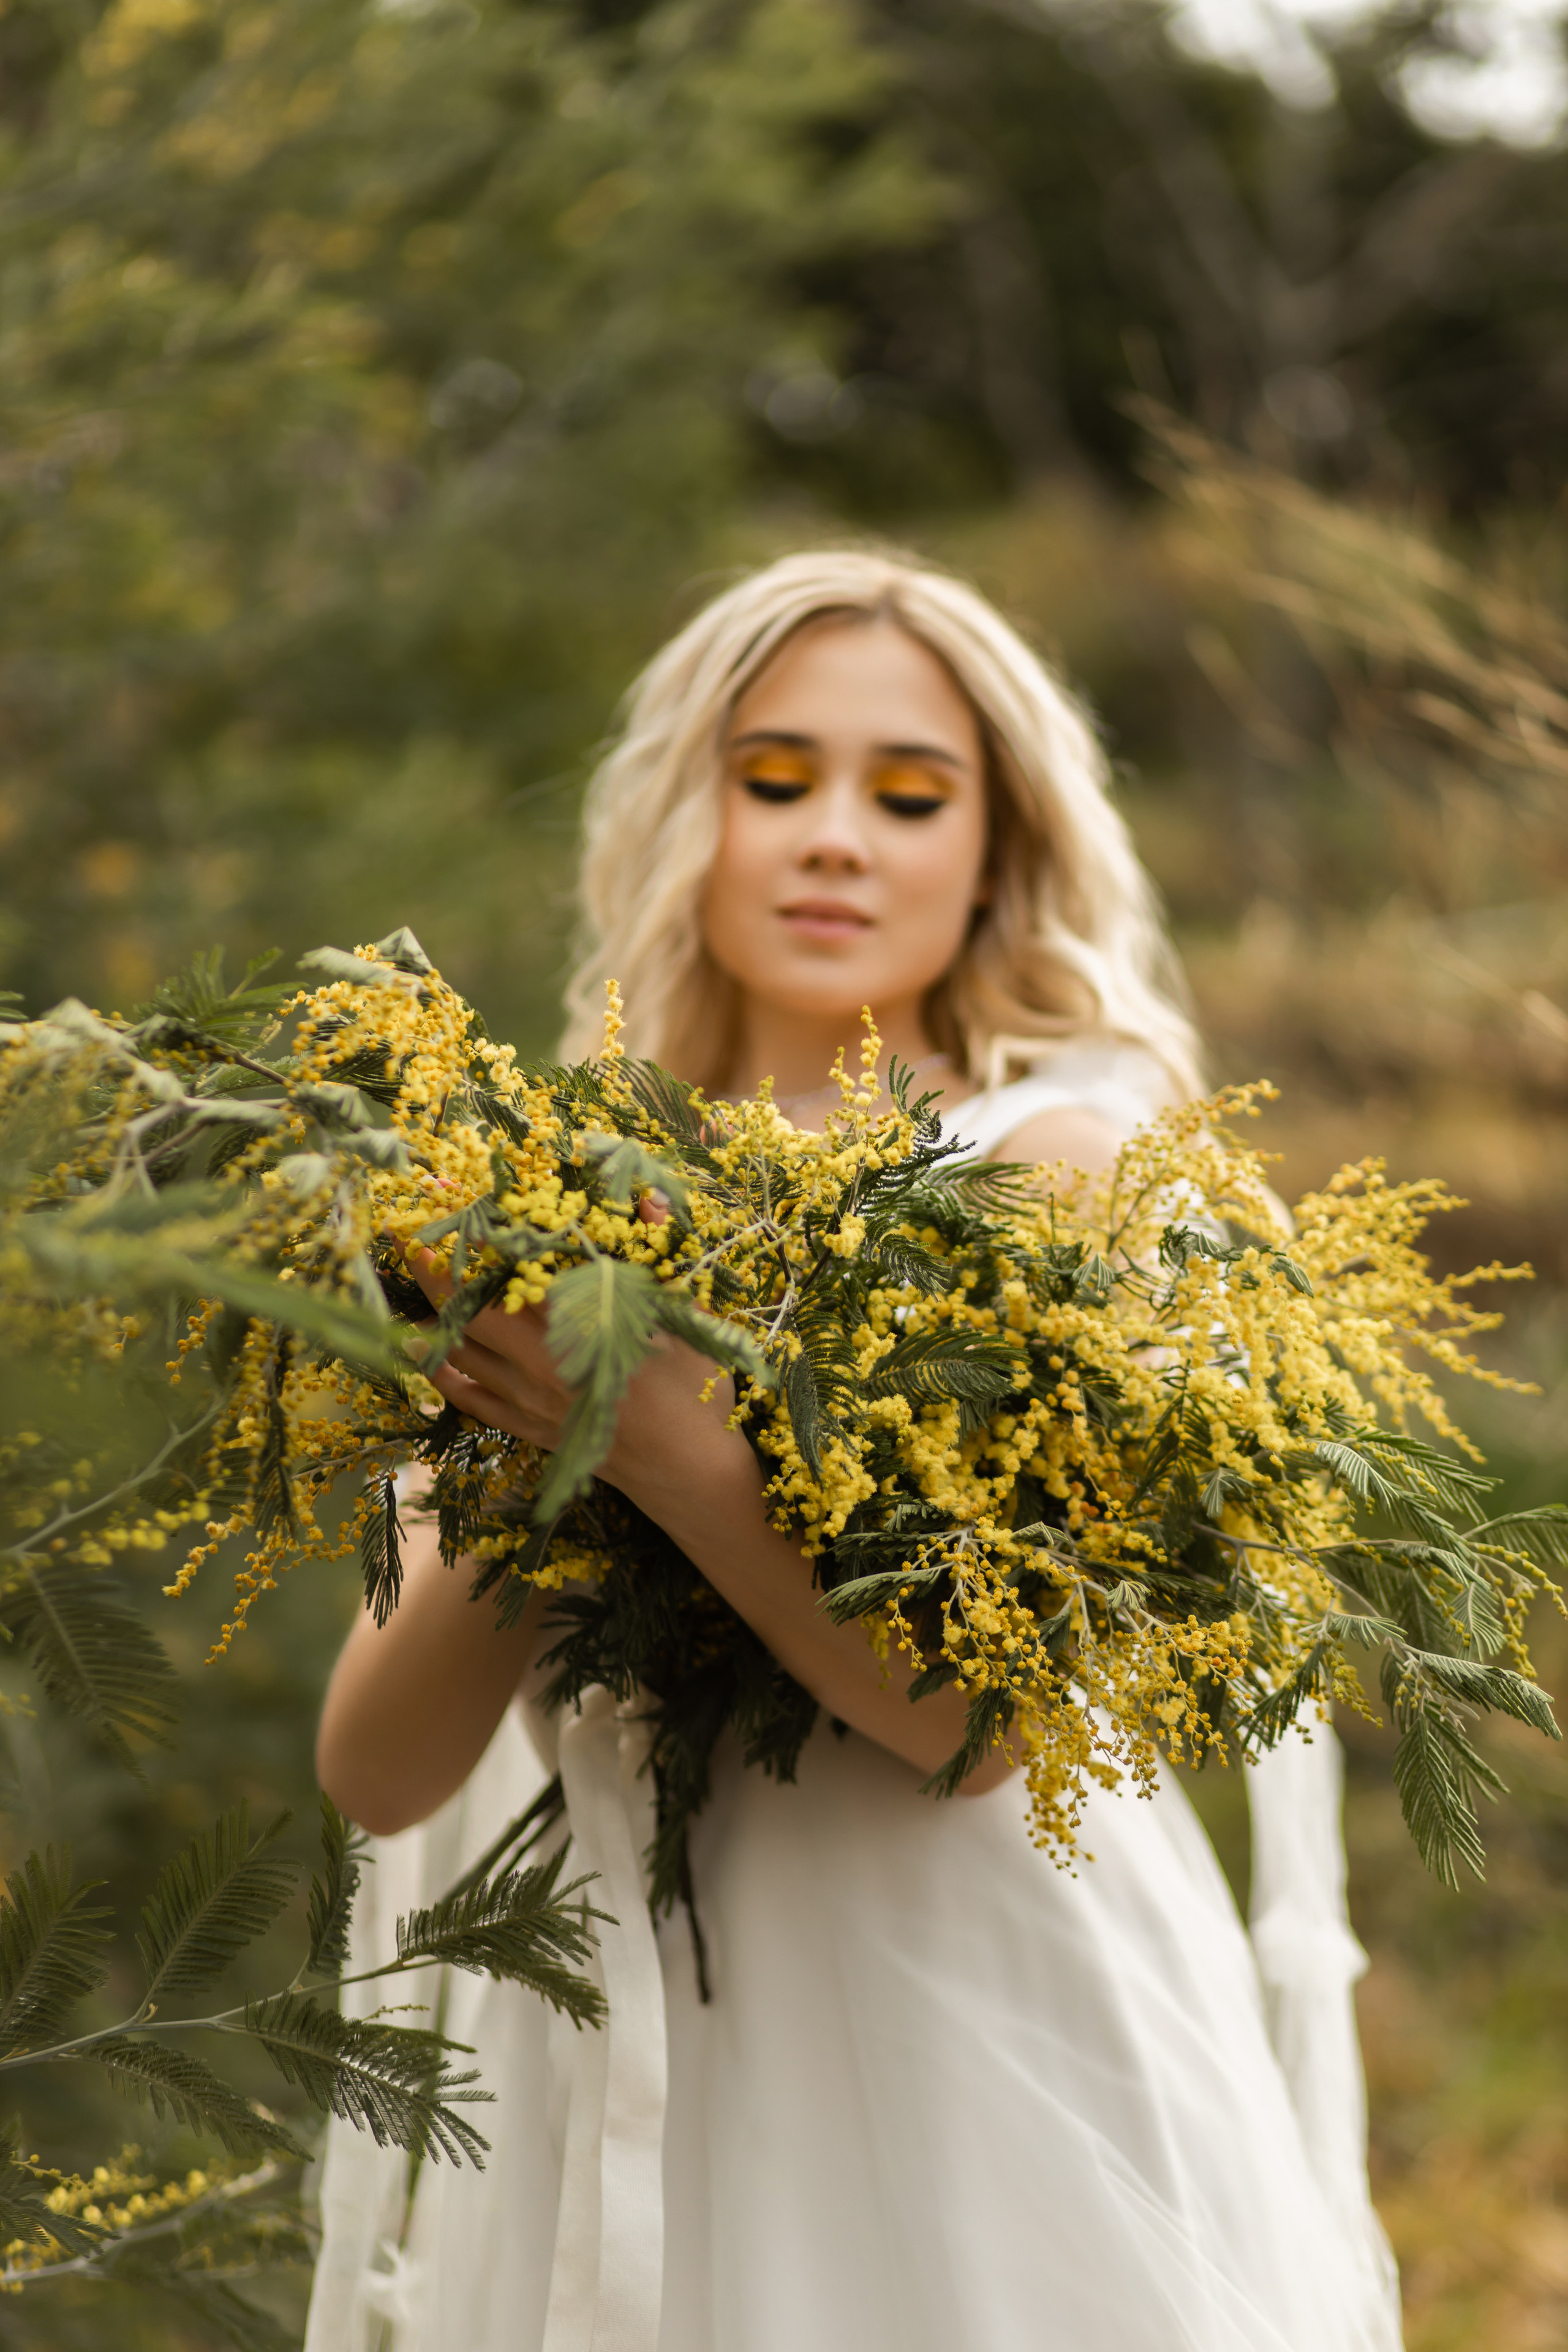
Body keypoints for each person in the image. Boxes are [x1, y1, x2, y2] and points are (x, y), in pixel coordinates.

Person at [307, 550, 1403, 2351]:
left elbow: (983, 1729)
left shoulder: (1055, 1164)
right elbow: (379, 1763)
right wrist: (547, 1422)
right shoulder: (551, 1196)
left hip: (975, 2052)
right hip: (632, 2059)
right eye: (776, 778)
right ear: (691, 810)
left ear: (998, 854)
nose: (838, 836)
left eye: (910, 796)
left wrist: (676, 1447)